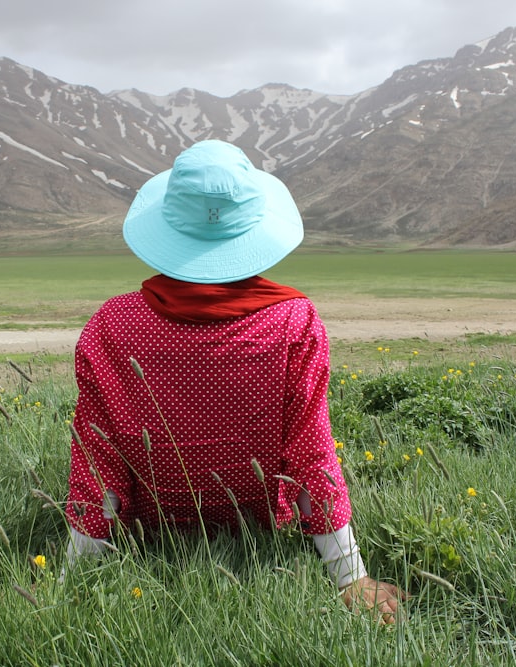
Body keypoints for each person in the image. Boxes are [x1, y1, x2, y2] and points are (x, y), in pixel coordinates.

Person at [64, 139, 407, 623]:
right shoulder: (295, 323)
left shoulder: (111, 325)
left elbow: (98, 467)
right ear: (254, 230)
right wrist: (350, 576)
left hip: (154, 528)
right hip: (257, 525)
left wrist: (70, 583)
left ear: (168, 226)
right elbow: (312, 455)